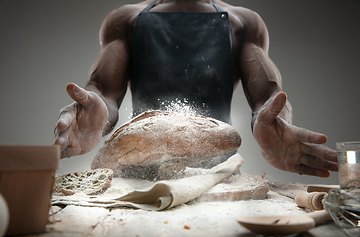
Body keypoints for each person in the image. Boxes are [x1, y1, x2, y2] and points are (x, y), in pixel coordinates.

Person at [54, 0, 338, 177]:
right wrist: (95, 114)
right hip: (137, 177)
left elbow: (267, 99)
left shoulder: (243, 23)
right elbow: (103, 91)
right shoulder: (126, 20)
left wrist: (277, 122)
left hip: (215, 178)